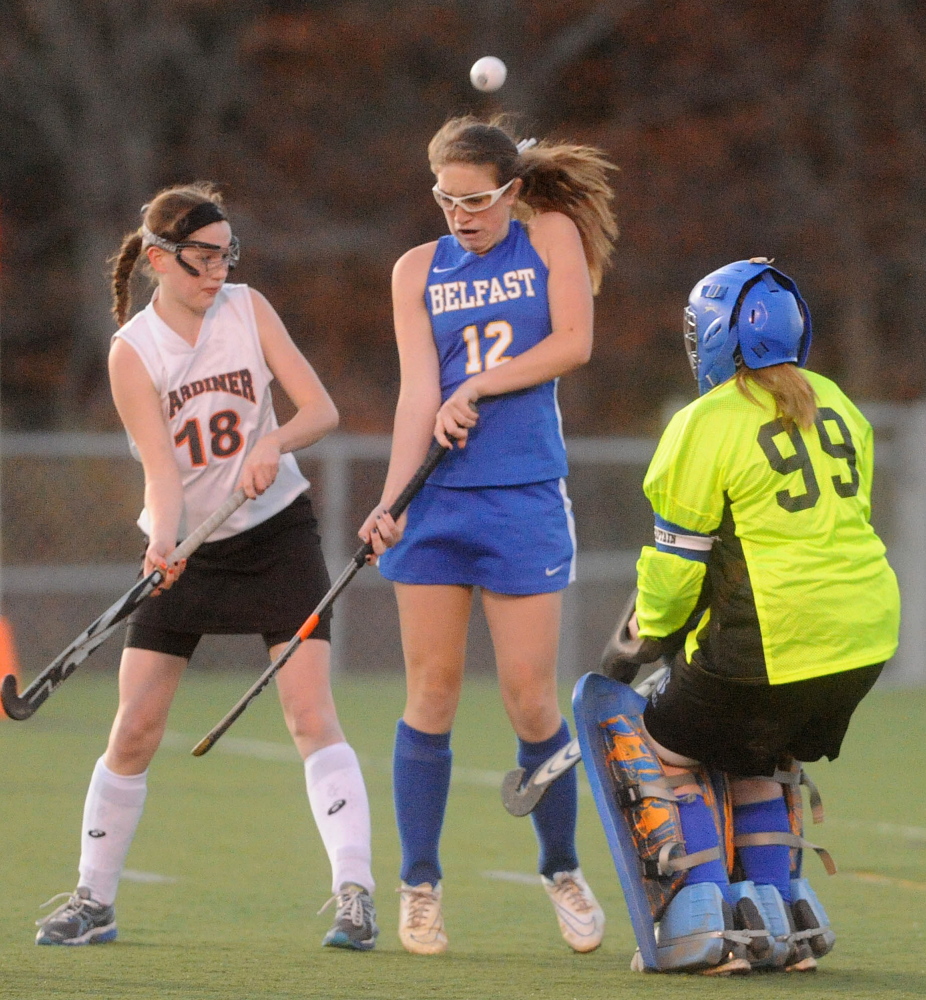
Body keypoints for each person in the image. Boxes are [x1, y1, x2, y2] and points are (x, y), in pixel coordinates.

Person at [35, 182, 379, 951]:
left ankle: (354, 893)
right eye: (201, 260)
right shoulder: (134, 352)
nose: (217, 272)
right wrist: (162, 540)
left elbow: (318, 411)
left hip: (276, 536)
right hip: (189, 549)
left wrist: (274, 442)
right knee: (136, 727)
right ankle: (95, 899)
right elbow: (160, 473)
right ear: (159, 260)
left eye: (227, 256)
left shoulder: (248, 310)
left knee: (309, 714)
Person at [359, 116, 619, 954]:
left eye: (475, 201)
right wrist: (392, 499)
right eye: (445, 200)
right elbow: (415, 395)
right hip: (439, 504)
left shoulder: (550, 235)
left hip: (521, 497)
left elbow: (573, 343)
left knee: (530, 698)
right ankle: (420, 885)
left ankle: (561, 868)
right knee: (429, 696)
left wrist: (481, 386)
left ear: (509, 191)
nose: (460, 216)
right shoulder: (416, 270)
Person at [607, 256, 900, 972]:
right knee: (757, 754)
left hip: (776, 641)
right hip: (865, 639)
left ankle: (703, 917)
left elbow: (676, 574)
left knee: (666, 748)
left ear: (712, 336)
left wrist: (644, 637)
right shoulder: (837, 402)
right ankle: (782, 916)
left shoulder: (702, 422)